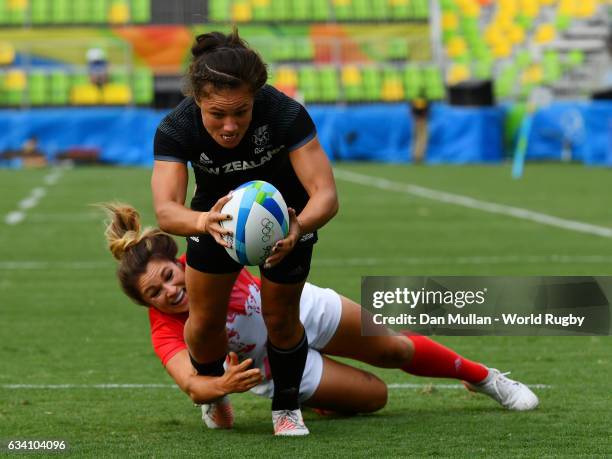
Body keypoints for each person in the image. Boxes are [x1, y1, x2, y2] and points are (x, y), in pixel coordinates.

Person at [102, 203, 539, 431]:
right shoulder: (164, 327)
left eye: (167, 277)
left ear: (179, 262)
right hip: (271, 365)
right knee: (376, 397)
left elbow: (248, 227)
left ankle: (485, 378)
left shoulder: (206, 256)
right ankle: (237, 402)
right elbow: (191, 384)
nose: (170, 291)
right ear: (149, 305)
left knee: (394, 347)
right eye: (154, 294)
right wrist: (218, 387)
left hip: (296, 309)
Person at [151, 29, 338, 435]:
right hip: (213, 222)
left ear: (256, 96)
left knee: (281, 317)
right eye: (218, 114)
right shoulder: (176, 127)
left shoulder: (285, 114)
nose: (231, 125)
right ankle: (216, 396)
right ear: (197, 99)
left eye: (242, 112)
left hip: (286, 221)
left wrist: (299, 226)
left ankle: (286, 407)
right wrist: (204, 222)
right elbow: (167, 210)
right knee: (202, 323)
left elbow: (325, 194)